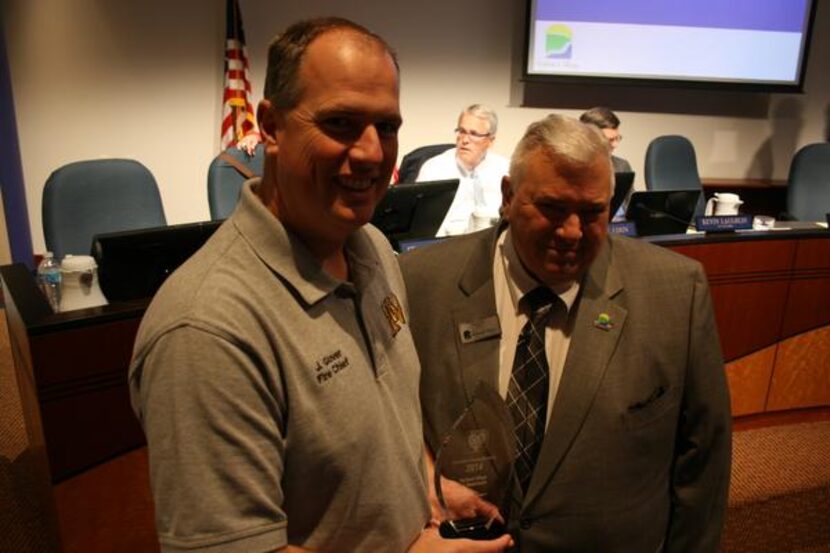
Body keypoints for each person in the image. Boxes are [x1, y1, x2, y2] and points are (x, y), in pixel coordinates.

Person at [129, 17, 512, 553]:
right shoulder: (206, 330)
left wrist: (427, 486)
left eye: (387, 126)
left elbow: (383, 422)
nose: (373, 153)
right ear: (270, 125)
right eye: (340, 123)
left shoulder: (373, 248)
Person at [400, 114, 732, 552]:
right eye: (553, 208)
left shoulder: (676, 293)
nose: (572, 232)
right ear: (508, 196)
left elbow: (703, 458)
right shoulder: (420, 282)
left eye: (593, 212)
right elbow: (388, 419)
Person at [417, 104, 510, 236]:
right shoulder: (433, 169)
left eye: (474, 134)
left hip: (490, 244)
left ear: (490, 140)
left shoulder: (504, 170)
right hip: (446, 246)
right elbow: (421, 224)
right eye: (462, 131)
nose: (465, 140)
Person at [579, 106, 632, 173]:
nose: (615, 145)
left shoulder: (621, 167)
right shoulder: (569, 165)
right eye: (610, 140)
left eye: (618, 138)